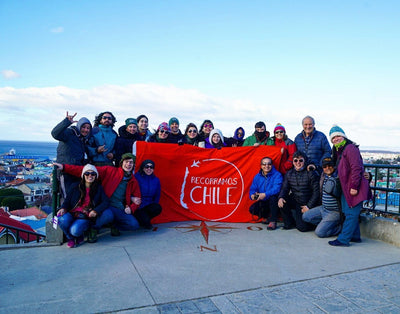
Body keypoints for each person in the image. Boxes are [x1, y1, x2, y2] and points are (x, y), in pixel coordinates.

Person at [55, 153, 142, 237]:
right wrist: (64, 167)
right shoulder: (110, 171)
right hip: (104, 206)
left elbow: (138, 200)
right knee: (107, 215)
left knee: (134, 225)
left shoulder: (133, 180)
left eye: (131, 162)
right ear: (121, 163)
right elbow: (87, 170)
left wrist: (131, 208)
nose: (128, 164)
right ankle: (94, 228)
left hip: (119, 208)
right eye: (126, 162)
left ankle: (113, 225)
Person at [328, 125, 371, 247]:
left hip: (352, 187)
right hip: (345, 187)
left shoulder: (350, 148)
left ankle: (343, 239)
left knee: (351, 213)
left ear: (343, 136)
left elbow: (356, 168)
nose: (336, 139)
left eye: (338, 136)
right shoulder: (338, 151)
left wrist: (354, 186)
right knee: (349, 212)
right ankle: (355, 236)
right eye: (333, 138)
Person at [56, 164, 110, 248]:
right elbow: (67, 201)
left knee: (74, 230)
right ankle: (70, 238)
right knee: (59, 219)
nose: (90, 176)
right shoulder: (75, 186)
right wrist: (63, 208)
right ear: (83, 175)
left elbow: (106, 201)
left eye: (93, 174)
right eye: (87, 173)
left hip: (85, 216)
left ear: (96, 176)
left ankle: (78, 234)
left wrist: (95, 211)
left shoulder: (98, 188)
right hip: (72, 213)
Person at [51, 111, 92, 198]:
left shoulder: (82, 139)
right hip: (65, 172)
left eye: (88, 128)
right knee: (67, 198)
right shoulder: (69, 133)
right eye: (84, 127)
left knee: (76, 196)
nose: (86, 130)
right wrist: (66, 122)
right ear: (79, 126)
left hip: (76, 172)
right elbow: (55, 133)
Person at [278, 151, 320, 232]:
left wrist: (309, 206)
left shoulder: (311, 173)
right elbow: (285, 188)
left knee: (302, 228)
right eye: (295, 160)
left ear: (305, 161)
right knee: (282, 201)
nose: (298, 163)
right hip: (296, 200)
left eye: (301, 160)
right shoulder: (289, 173)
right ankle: (289, 223)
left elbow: (316, 192)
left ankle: (310, 222)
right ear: (293, 162)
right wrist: (281, 197)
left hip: (307, 201)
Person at [302, 157, 342, 238]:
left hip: (334, 211)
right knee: (305, 216)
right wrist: (313, 167)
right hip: (323, 208)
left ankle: (340, 228)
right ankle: (326, 224)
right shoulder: (323, 175)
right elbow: (317, 169)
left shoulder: (339, 176)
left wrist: (367, 176)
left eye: (330, 165)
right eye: (325, 166)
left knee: (320, 233)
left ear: (334, 166)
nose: (327, 168)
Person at [249, 156, 283, 230]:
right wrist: (252, 195)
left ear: (272, 165)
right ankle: (267, 217)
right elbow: (253, 188)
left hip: (275, 201)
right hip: (263, 200)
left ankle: (273, 221)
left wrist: (265, 194)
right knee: (252, 209)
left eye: (269, 164)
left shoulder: (277, 175)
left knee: (273, 198)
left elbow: (277, 189)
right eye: (264, 164)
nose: (266, 166)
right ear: (261, 166)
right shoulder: (257, 177)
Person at [134, 159, 162, 229]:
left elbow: (157, 195)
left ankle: (145, 219)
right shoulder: (136, 177)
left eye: (151, 167)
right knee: (145, 224)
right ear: (143, 168)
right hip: (138, 206)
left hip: (148, 206)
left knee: (157, 208)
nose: (149, 169)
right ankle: (142, 219)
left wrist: (154, 204)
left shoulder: (156, 180)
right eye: (146, 167)